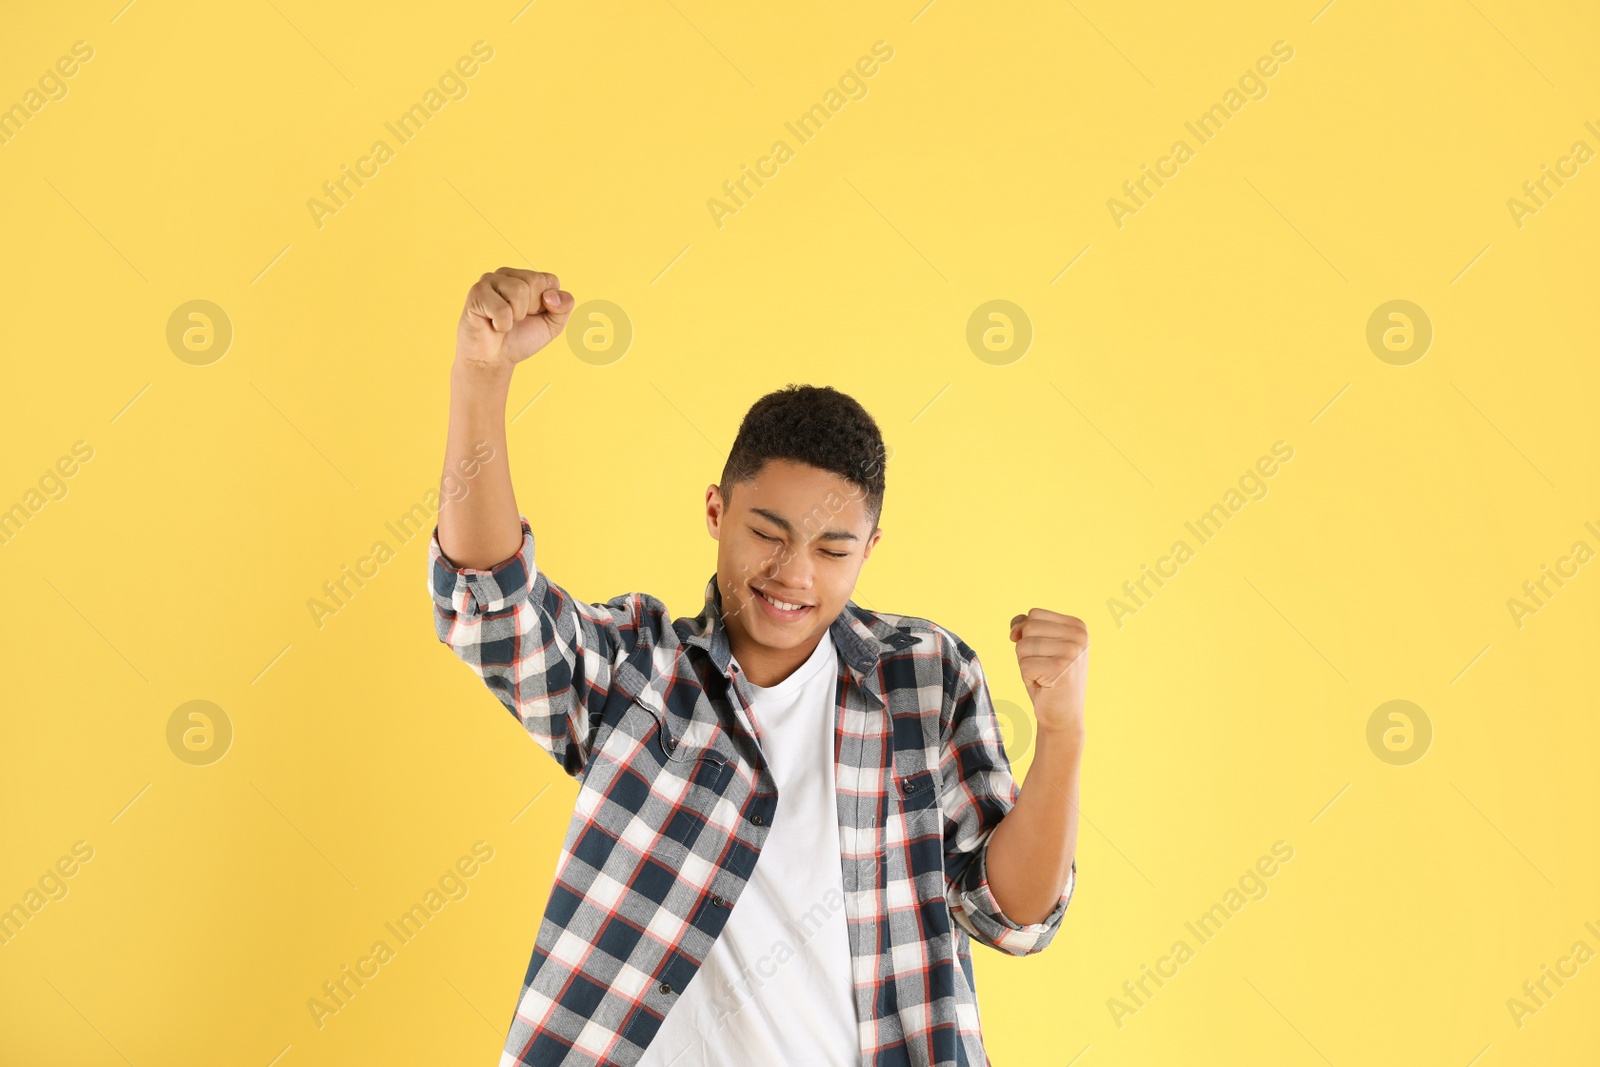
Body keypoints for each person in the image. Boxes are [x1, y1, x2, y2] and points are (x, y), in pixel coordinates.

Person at [429, 267, 1087, 1067]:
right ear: (717, 511)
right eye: (767, 533)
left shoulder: (924, 678)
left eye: (832, 549)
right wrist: (481, 377)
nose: (794, 574)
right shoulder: (643, 672)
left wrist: (1062, 731)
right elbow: (492, 610)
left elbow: (1012, 914)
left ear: (869, 550)